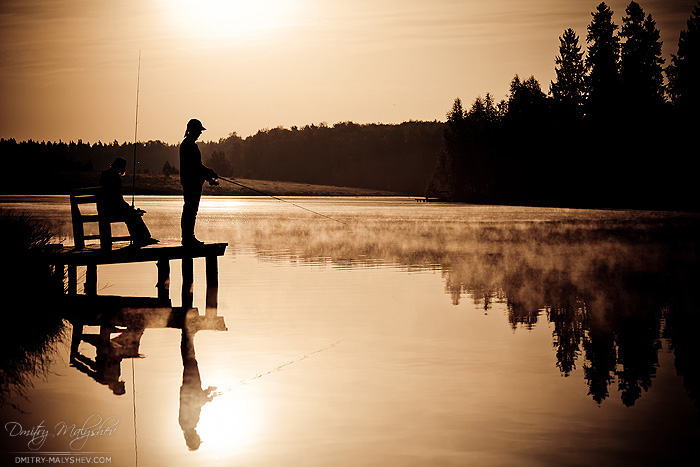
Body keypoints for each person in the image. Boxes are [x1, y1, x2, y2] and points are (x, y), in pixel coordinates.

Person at [98, 157, 158, 247]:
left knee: (132, 214)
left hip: (104, 208)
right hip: (110, 209)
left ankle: (141, 238)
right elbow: (117, 199)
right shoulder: (114, 178)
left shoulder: (105, 174)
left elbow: (117, 199)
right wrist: (129, 208)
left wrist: (128, 208)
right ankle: (143, 238)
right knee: (133, 215)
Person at [179, 118, 219, 247]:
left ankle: (188, 237)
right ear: (192, 130)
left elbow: (197, 167)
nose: (200, 133)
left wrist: (209, 178)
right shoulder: (189, 145)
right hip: (191, 183)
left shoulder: (187, 144)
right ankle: (188, 238)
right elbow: (196, 166)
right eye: (199, 130)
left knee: (190, 210)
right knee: (190, 210)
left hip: (192, 182)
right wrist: (210, 172)